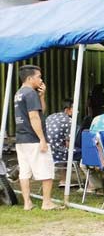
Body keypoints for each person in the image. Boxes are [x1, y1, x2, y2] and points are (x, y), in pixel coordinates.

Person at [14, 65, 57, 210]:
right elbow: (34, 117)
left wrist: (42, 96)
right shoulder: (30, 93)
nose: (41, 79)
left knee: (24, 172)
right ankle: (47, 202)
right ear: (30, 78)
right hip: (33, 139)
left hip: (21, 139)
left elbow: (40, 112)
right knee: (46, 170)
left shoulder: (19, 93)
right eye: (38, 76)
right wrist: (42, 139)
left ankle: (27, 203)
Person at [45, 99, 73, 164]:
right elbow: (69, 144)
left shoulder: (50, 116)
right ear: (67, 110)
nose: (77, 111)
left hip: (46, 152)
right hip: (58, 154)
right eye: (73, 108)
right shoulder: (69, 121)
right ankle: (66, 172)